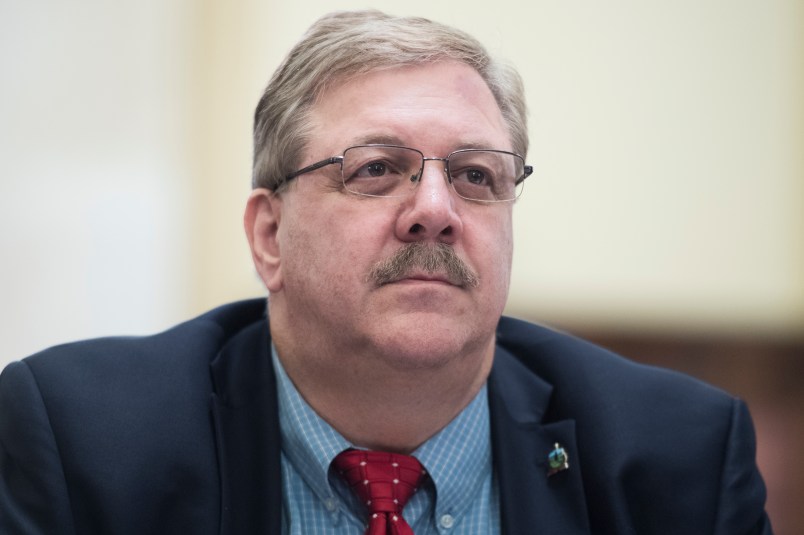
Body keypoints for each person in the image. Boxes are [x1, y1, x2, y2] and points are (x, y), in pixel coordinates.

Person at [0, 10, 772, 535]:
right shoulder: (82, 443)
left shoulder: (679, 457)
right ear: (270, 235)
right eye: (375, 169)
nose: (435, 208)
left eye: (475, 176)